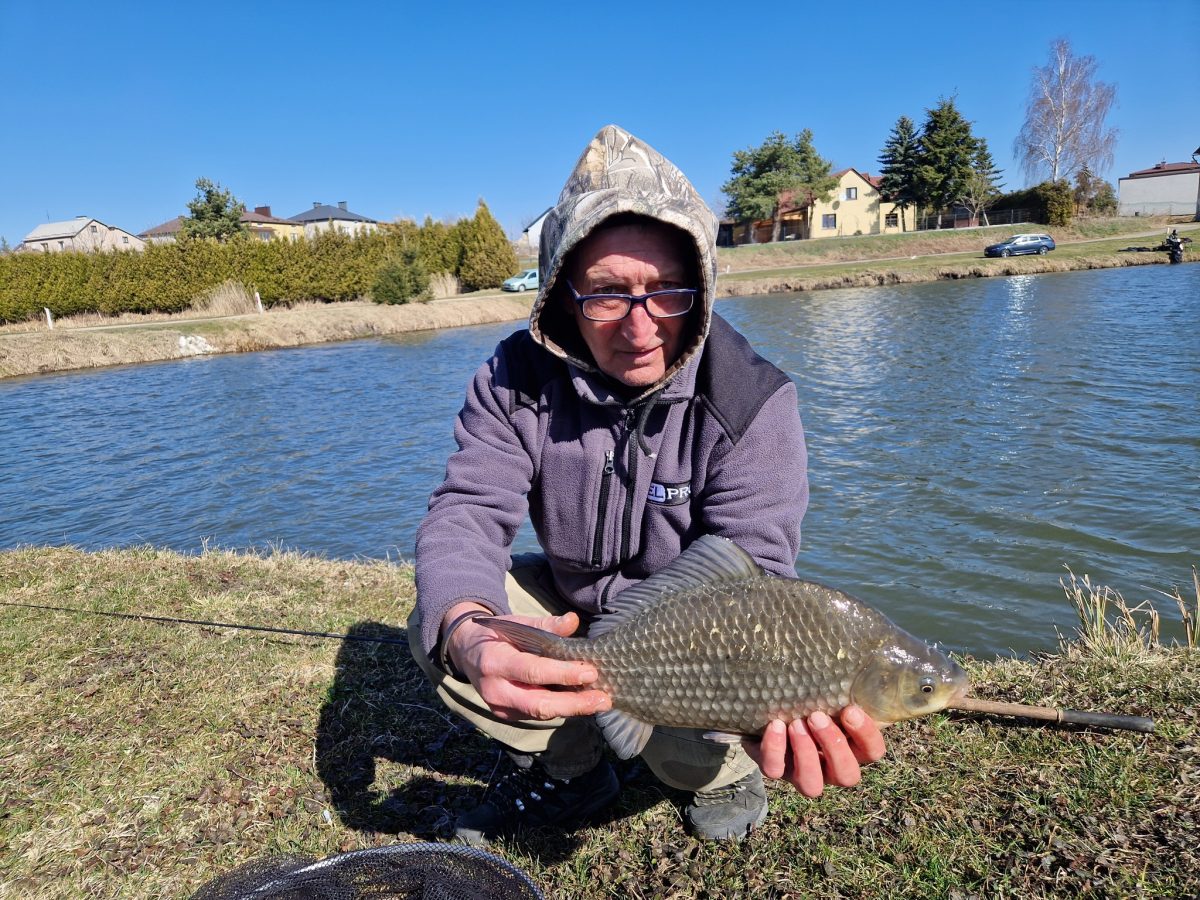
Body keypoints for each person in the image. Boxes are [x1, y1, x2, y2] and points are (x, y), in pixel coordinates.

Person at [408, 124, 885, 845]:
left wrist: (765, 708)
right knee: (439, 617)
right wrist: (468, 631)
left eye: (667, 291)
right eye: (606, 294)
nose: (640, 326)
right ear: (564, 296)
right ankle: (571, 770)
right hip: (570, 608)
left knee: (686, 747)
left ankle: (716, 767)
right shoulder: (513, 377)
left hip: (699, 635)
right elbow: (467, 512)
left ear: (703, 289)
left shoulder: (754, 400)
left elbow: (754, 573)